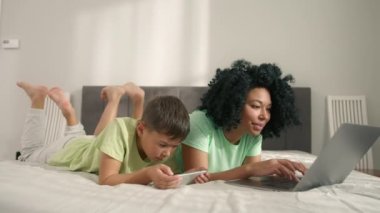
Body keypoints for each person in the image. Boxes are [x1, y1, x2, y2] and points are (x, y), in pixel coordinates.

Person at [17, 81, 190, 189]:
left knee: (91, 138)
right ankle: (37, 98)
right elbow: (107, 180)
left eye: (174, 146)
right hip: (69, 149)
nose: (168, 152)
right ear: (141, 129)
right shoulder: (119, 128)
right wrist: (147, 174)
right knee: (29, 154)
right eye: (163, 145)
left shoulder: (164, 144)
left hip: (89, 144)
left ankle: (70, 114)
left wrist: (190, 174)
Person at [180, 59, 307, 183]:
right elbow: (196, 180)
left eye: (268, 109)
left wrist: (275, 172)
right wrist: (250, 169)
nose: (265, 116)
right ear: (235, 103)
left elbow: (252, 175)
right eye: (256, 106)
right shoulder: (199, 123)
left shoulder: (253, 135)